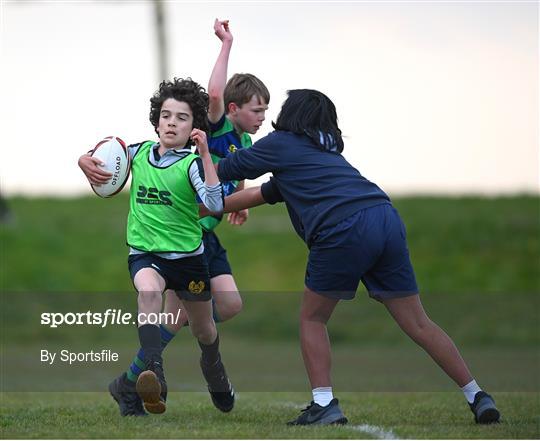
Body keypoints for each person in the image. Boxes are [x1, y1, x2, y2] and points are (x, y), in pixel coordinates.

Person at [208, 88, 501, 426]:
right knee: (419, 323)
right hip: (384, 217)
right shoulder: (323, 155)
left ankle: (323, 405)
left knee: (312, 319)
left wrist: (197, 152)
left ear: (290, 117)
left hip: (342, 227)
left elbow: (224, 169)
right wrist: (203, 208)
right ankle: (477, 395)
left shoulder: (281, 143)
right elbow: (260, 193)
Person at [78, 77, 234, 416]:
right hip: (145, 254)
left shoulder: (190, 164)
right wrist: (84, 160)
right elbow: (104, 158)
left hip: (189, 260)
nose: (171, 123)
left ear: (195, 126)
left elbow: (215, 202)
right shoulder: (139, 153)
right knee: (148, 292)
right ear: (156, 120)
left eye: (181, 117)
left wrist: (206, 155)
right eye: (166, 115)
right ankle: (154, 369)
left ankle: (214, 369)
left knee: (204, 330)